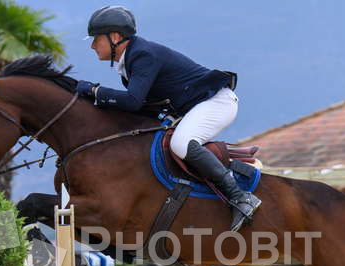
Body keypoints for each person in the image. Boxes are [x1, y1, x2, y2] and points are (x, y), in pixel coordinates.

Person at [76, 5, 260, 231]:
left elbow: (133, 101)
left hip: (216, 103)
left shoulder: (142, 55)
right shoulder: (132, 59)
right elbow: (141, 106)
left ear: (114, 37)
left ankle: (240, 197)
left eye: (96, 39)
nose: (93, 45)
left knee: (181, 143)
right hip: (195, 106)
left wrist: (95, 91)